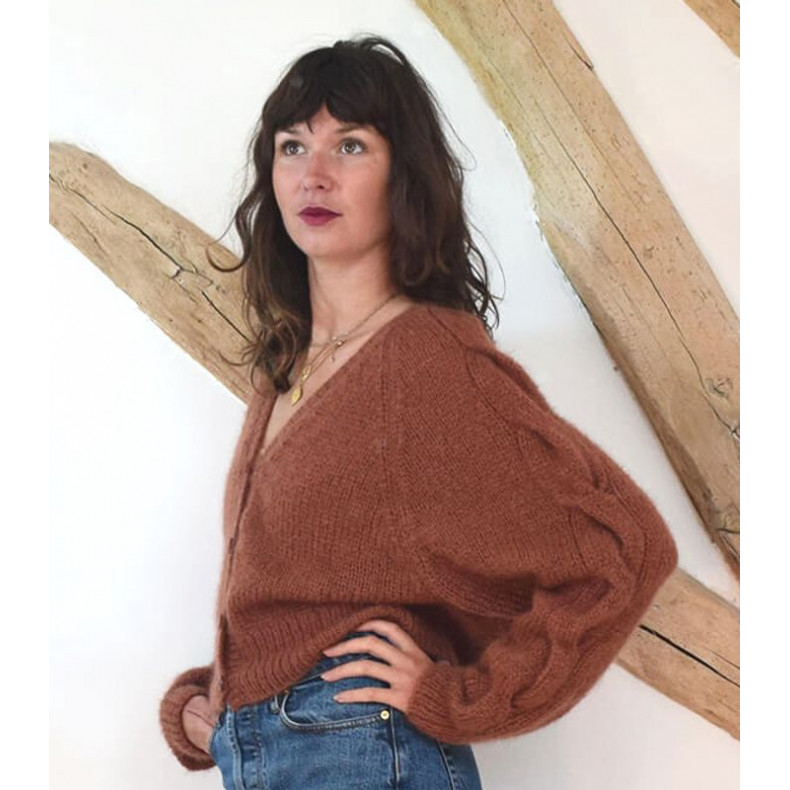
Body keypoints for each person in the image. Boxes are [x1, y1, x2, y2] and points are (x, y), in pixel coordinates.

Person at [158, 35, 678, 789]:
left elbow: (623, 549)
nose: (315, 173)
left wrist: (463, 698)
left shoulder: (428, 360)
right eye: (293, 146)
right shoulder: (287, 365)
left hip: (365, 753)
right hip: (284, 756)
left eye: (351, 146)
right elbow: (315, 595)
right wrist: (216, 705)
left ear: (403, 174)